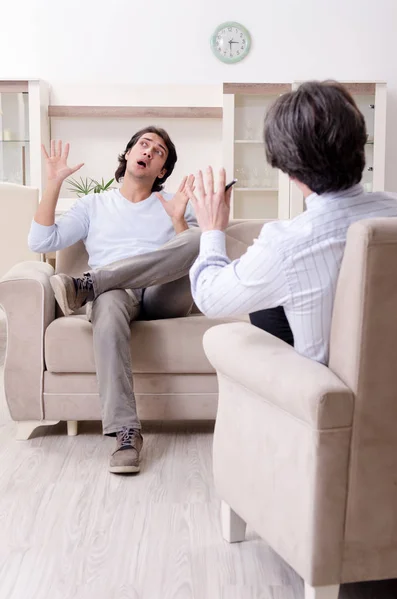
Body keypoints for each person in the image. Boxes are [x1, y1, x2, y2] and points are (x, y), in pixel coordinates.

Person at [28, 126, 200, 474]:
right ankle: (126, 432)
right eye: (143, 144)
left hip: (162, 296)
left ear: (162, 171)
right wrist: (54, 183)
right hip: (115, 298)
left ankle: (90, 284)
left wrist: (179, 220)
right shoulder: (94, 205)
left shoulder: (172, 205)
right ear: (128, 154)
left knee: (199, 239)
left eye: (159, 151)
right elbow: (41, 241)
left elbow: (196, 255)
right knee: (106, 303)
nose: (149, 151)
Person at [187, 80, 397, 365]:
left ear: (288, 169)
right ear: (360, 144)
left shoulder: (287, 245)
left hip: (325, 393)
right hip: (385, 380)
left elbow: (210, 298)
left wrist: (212, 229)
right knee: (269, 306)